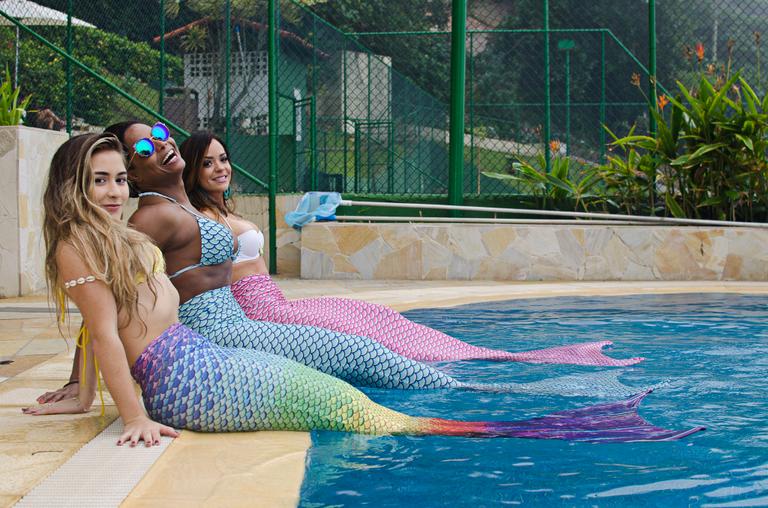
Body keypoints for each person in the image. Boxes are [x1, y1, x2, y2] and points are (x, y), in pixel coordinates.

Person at [24, 133, 704, 442]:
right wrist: (133, 416)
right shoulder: (85, 238)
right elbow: (107, 329)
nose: (114, 189)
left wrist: (82, 394)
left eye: (118, 176)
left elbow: (97, 321)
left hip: (204, 356)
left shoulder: (116, 236)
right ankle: (563, 426)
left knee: (361, 396)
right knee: (359, 409)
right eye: (101, 179)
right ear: (72, 187)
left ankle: (544, 409)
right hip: (185, 375)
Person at [179, 131, 643, 366]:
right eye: (208, 163)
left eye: (223, 159)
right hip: (257, 313)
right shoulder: (196, 219)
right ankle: (460, 363)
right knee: (356, 329)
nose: (220, 167)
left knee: (374, 315)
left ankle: (485, 356)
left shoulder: (229, 212)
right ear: (192, 172)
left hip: (277, 301)